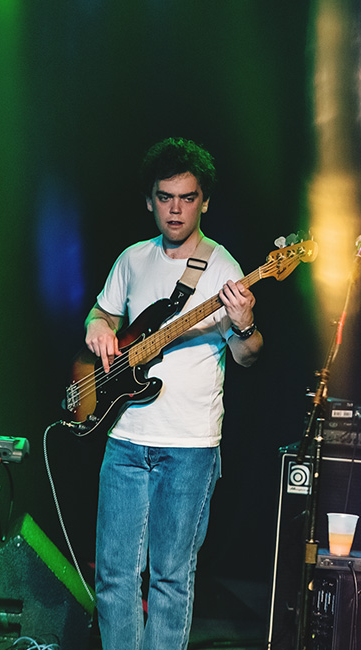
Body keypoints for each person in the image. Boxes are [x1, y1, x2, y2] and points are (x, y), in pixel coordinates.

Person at [84, 137, 263, 649]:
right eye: (166, 198)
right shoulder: (132, 260)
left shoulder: (224, 267)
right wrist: (98, 326)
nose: (176, 209)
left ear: (204, 200)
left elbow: (249, 356)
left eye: (188, 198)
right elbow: (103, 313)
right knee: (114, 576)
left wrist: (245, 324)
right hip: (124, 436)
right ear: (150, 201)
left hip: (189, 445)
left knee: (169, 578)